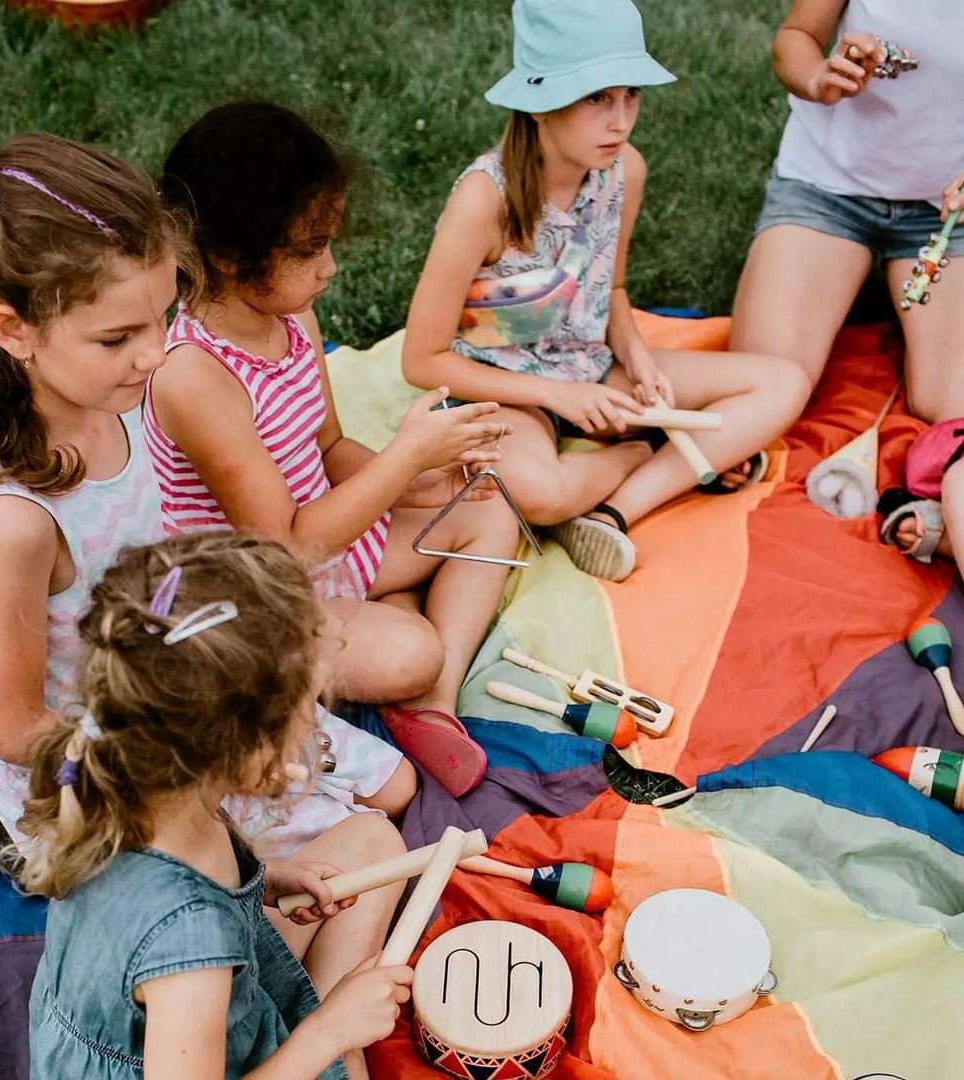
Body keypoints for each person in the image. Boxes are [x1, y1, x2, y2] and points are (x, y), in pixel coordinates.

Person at [149, 101, 521, 796]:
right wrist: (404, 460)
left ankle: (431, 707)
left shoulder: (292, 316)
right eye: (309, 248)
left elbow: (328, 446)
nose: (332, 266)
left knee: (487, 510)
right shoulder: (195, 376)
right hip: (255, 597)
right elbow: (285, 549)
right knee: (412, 651)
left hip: (325, 535)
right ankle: (411, 674)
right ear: (230, 255)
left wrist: (415, 478)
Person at [402, 0, 809, 582]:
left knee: (782, 381)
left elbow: (610, 286)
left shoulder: (624, 171)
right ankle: (646, 452)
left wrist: (638, 359)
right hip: (502, 391)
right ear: (539, 105)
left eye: (630, 96)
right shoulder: (483, 200)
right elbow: (422, 360)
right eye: (596, 98)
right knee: (539, 493)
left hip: (592, 370)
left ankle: (616, 512)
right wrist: (561, 400)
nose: (621, 120)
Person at [20, 532, 410, 1080]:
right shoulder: (191, 945)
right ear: (249, 757)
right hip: (190, 1045)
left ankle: (323, 1027)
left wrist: (268, 879)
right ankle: (327, 1036)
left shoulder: (138, 786)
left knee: (373, 843)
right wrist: (329, 1034)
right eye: (308, 711)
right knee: (339, 1045)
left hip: (200, 1015)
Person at [0, 133, 188, 844]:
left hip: (159, 697)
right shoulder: (14, 523)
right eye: (117, 337)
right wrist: (182, 759)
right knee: (281, 882)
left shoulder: (119, 400)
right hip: (87, 777)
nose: (156, 353)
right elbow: (13, 727)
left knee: (375, 795)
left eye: (164, 317)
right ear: (15, 331)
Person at [729, 1, 964, 568]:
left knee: (950, 399)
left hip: (947, 212)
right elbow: (796, 37)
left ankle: (947, 522)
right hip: (826, 188)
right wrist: (818, 76)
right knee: (761, 384)